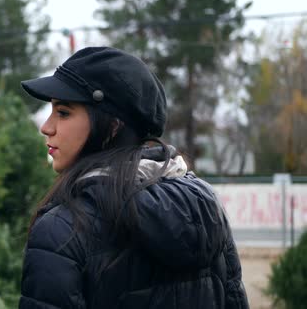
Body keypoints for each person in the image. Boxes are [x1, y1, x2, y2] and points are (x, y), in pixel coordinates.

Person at [18, 47, 248, 309]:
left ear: (113, 126)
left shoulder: (62, 231)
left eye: (63, 112)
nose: (46, 127)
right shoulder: (204, 210)